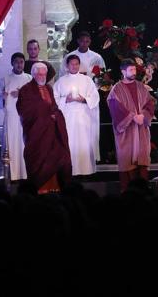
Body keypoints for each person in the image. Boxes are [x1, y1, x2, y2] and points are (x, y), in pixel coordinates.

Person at [16, 61, 72, 193]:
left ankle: (55, 187)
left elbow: (54, 107)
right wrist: (46, 115)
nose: (42, 77)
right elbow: (25, 111)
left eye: (44, 74)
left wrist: (55, 116)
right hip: (37, 133)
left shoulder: (49, 88)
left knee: (60, 156)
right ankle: (40, 189)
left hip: (52, 131)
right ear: (34, 75)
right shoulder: (26, 90)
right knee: (39, 159)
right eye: (39, 74)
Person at [108, 58, 156, 192]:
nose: (134, 72)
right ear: (123, 71)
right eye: (131, 70)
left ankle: (143, 193)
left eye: (134, 69)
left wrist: (144, 116)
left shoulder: (141, 86)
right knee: (127, 159)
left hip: (141, 130)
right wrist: (132, 117)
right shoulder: (116, 90)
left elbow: (149, 103)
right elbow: (114, 106)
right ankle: (127, 193)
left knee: (142, 159)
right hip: (126, 132)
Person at [61, 31, 105, 163]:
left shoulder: (96, 57)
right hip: (70, 104)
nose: (84, 43)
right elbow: (63, 76)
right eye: (82, 41)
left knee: (88, 134)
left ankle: (89, 161)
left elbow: (102, 78)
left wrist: (89, 93)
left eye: (87, 41)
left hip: (88, 97)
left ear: (90, 42)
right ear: (78, 41)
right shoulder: (69, 56)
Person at [53, 53, 101, 176]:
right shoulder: (60, 82)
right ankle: (70, 171)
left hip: (83, 118)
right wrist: (66, 100)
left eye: (76, 64)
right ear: (67, 66)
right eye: (72, 64)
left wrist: (83, 99)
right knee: (69, 143)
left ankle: (86, 171)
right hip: (67, 118)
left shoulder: (87, 80)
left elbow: (95, 97)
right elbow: (54, 100)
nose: (74, 66)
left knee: (84, 143)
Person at [3, 52, 31, 181]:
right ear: (12, 63)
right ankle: (13, 175)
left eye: (21, 62)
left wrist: (22, 93)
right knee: (13, 144)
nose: (19, 64)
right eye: (16, 62)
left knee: (25, 144)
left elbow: (34, 98)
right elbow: (0, 102)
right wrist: (2, 98)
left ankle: (26, 173)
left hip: (26, 117)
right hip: (12, 117)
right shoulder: (6, 79)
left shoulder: (29, 78)